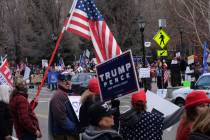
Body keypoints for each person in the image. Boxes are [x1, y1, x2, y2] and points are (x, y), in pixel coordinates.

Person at [120, 90, 184, 140]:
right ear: (145, 103)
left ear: (131, 103)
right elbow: (171, 119)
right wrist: (186, 107)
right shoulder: (154, 118)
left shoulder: (123, 120)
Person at [49, 72, 79, 140]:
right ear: (59, 81)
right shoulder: (58, 96)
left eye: (69, 80)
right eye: (64, 80)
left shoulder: (69, 93)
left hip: (71, 133)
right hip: (64, 134)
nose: (67, 83)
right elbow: (61, 118)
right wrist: (74, 128)